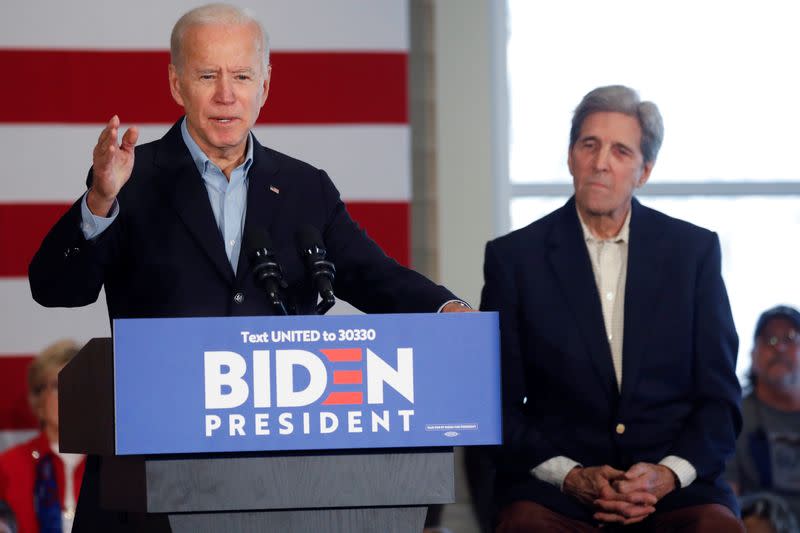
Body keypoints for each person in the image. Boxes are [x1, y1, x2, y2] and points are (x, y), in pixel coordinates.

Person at [27, 3, 470, 530]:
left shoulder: (306, 188)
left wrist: (448, 310)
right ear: (175, 83)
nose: (225, 95)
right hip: (151, 477)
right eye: (207, 75)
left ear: (265, 83)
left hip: (279, 478)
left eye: (241, 75)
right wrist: (99, 200)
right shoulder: (129, 180)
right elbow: (55, 287)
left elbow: (374, 275)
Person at [481, 85, 744, 531]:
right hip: (560, 491)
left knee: (717, 527)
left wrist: (666, 475)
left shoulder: (693, 253)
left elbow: (720, 401)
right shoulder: (515, 258)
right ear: (570, 157)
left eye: (621, 151)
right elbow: (497, 405)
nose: (601, 162)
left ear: (644, 171)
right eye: (589, 145)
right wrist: (570, 476)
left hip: (672, 490)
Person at [727, 305, 800, 533]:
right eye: (769, 339)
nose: (779, 347)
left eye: (790, 338)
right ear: (752, 354)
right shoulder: (732, 415)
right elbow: (726, 496)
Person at [0, 340, 86, 533]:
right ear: (38, 399)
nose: (69, 395)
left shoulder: (108, 467)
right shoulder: (7, 466)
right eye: (58, 385)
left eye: (77, 384)